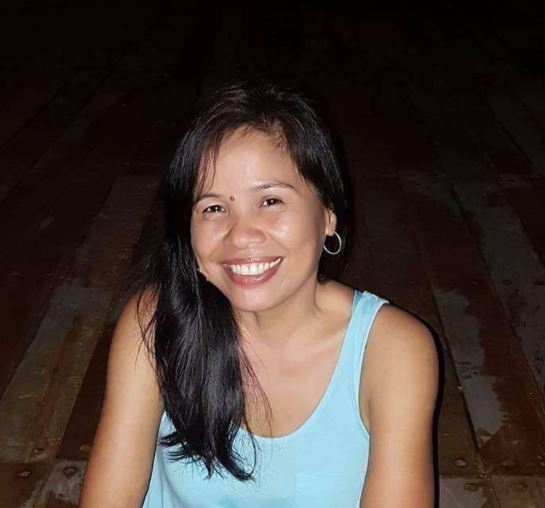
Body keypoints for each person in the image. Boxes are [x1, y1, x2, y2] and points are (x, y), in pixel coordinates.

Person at [79, 82, 439, 507]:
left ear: (327, 214)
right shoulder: (156, 322)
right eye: (214, 208)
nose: (241, 235)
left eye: (270, 201)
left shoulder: (391, 351)